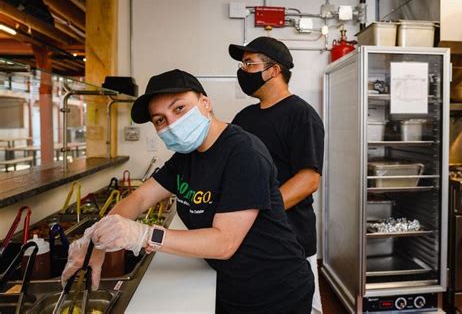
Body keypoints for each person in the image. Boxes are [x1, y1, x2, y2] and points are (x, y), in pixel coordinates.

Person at [61, 69, 315, 313]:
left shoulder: (244, 153)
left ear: (206, 102)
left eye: (179, 108)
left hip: (275, 290)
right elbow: (139, 199)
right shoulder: (186, 157)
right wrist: (95, 239)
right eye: (160, 120)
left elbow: (223, 242)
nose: (172, 123)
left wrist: (144, 235)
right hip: (231, 284)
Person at [229, 36, 325, 314]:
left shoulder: (301, 115)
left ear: (273, 70)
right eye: (242, 63)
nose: (242, 70)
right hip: (253, 242)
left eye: (249, 63)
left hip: (292, 242)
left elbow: (309, 179)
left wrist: (261, 211)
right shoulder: (244, 118)